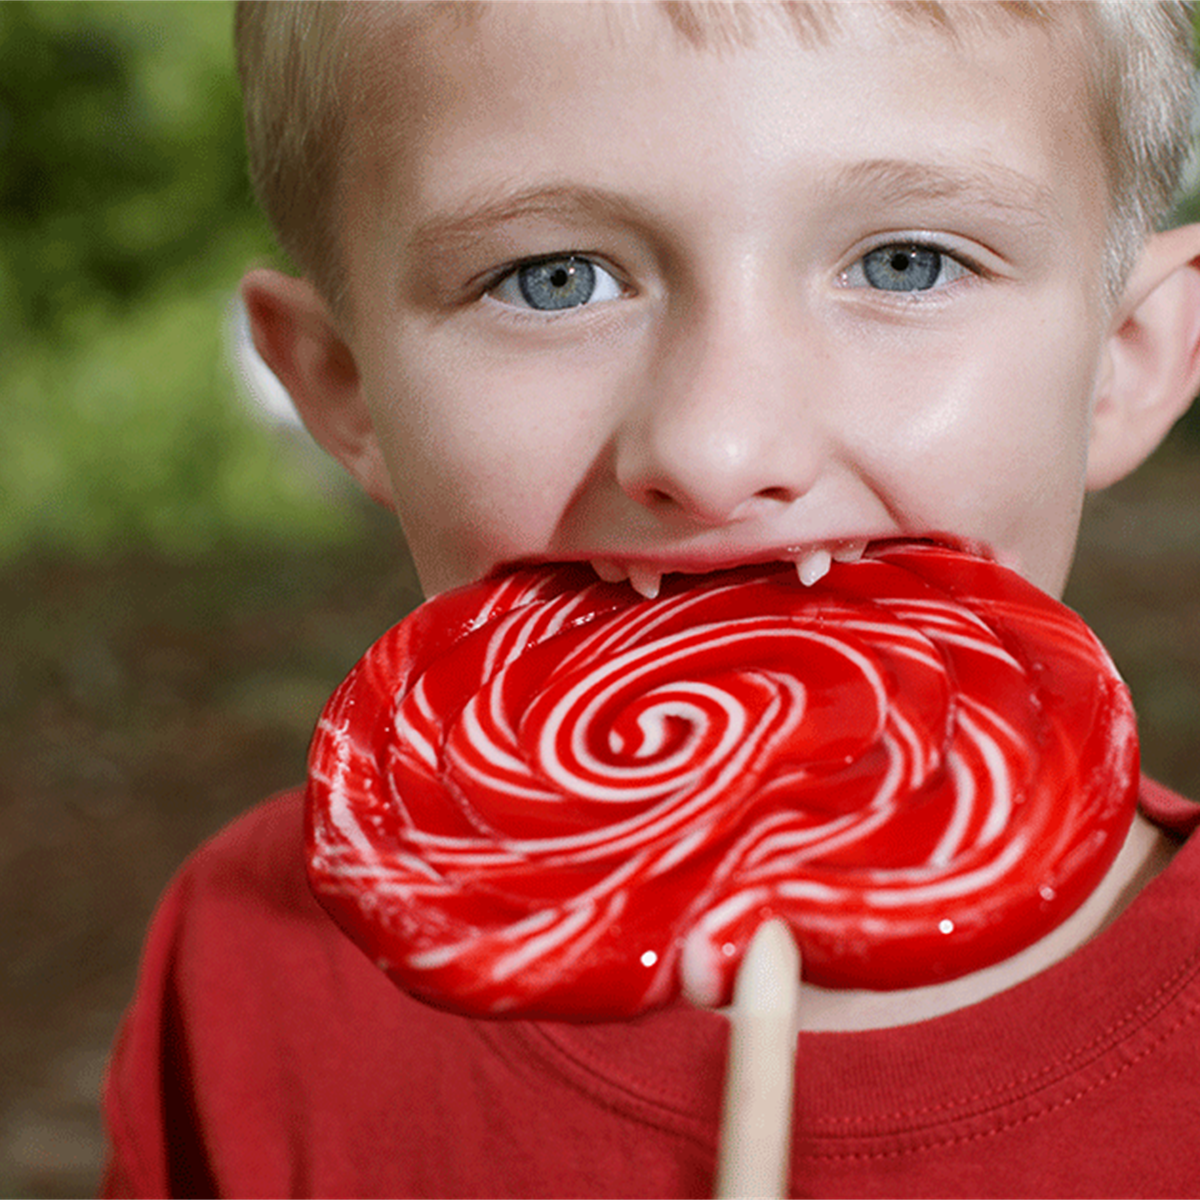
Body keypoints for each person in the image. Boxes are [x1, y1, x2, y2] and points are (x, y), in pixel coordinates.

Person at [102, 1, 1200, 1195]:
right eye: (552, 279)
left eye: (907, 262)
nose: (717, 452)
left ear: (1127, 357)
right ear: (344, 387)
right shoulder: (248, 971)